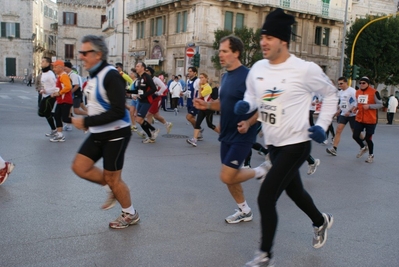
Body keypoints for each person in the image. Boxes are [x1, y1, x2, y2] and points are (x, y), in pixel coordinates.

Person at [234, 9, 338, 266]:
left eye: (269, 37)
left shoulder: (304, 69)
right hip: (274, 146)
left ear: (283, 41)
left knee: (266, 197)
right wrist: (245, 106)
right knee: (296, 192)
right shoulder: (258, 67)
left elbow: (331, 94)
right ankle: (320, 220)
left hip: (297, 144)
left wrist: (323, 125)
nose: (263, 42)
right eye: (262, 36)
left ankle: (264, 255)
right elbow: (251, 94)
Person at [194, 35, 269, 224]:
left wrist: (249, 123)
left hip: (243, 134)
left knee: (227, 175)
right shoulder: (226, 76)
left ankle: (261, 171)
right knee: (231, 178)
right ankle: (244, 210)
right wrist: (207, 106)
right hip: (226, 133)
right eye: (220, 51)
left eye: (225, 51)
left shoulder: (250, 76)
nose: (220, 55)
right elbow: (224, 103)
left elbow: (265, 105)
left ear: (236, 53)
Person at [71, 35, 139, 229]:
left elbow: (118, 111)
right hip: (98, 132)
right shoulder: (94, 75)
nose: (81, 56)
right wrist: (87, 118)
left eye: (85, 52)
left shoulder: (111, 75)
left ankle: (130, 213)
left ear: (98, 54)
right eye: (80, 52)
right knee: (79, 167)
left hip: (116, 133)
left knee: (113, 178)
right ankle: (113, 187)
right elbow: (97, 104)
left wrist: (85, 121)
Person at [326, 77, 360, 156]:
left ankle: (364, 142)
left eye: (341, 83)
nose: (340, 85)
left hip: (352, 114)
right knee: (338, 129)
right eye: (338, 84)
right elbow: (342, 103)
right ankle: (334, 148)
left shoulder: (352, 91)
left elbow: (356, 102)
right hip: (344, 114)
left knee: (355, 133)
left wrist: (350, 111)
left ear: (346, 83)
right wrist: (338, 110)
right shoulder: (340, 92)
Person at [352, 76, 383, 163]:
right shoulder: (358, 92)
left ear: (368, 84)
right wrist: (356, 108)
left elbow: (380, 104)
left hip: (371, 119)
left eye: (363, 83)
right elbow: (359, 103)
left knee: (368, 139)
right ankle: (363, 147)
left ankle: (371, 155)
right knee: (355, 135)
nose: (361, 84)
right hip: (360, 118)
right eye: (360, 83)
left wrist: (369, 106)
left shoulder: (374, 92)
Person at [187, 72, 220, 147]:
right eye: (200, 77)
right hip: (202, 108)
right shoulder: (202, 85)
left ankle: (222, 135)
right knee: (198, 123)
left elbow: (200, 95)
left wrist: (199, 86)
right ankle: (194, 140)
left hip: (208, 108)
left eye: (202, 77)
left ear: (206, 78)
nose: (200, 79)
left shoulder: (208, 87)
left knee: (210, 125)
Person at [131, 62, 159, 143]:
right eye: (136, 66)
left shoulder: (147, 77)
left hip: (147, 101)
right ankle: (151, 136)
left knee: (139, 119)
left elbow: (154, 88)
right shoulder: (139, 78)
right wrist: (133, 94)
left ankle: (153, 130)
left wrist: (144, 95)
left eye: (138, 66)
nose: (136, 68)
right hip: (140, 101)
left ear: (143, 68)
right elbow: (139, 90)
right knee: (139, 120)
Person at [49, 60, 73, 142]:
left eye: (55, 67)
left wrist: (59, 93)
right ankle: (59, 135)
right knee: (57, 116)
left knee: (65, 118)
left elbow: (68, 87)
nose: (54, 69)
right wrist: (54, 93)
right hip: (61, 100)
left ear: (60, 67)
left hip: (65, 100)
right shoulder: (60, 76)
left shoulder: (64, 76)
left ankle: (83, 122)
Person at [145, 67, 173, 134]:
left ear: (151, 72)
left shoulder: (156, 79)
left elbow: (164, 87)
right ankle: (167, 124)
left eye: (147, 71)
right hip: (150, 99)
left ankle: (149, 131)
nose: (146, 72)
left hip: (156, 99)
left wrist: (157, 93)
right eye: (145, 71)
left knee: (148, 115)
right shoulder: (146, 79)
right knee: (156, 116)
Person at [37, 57, 58, 138]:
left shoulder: (50, 74)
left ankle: (54, 130)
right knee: (40, 113)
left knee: (46, 113)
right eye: (41, 61)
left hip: (51, 96)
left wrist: (46, 90)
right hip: (45, 95)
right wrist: (42, 89)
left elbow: (55, 87)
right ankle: (57, 115)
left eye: (43, 61)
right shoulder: (43, 73)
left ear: (48, 63)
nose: (41, 63)